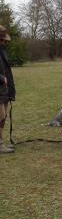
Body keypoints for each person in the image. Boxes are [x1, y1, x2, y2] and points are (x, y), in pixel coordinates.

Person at [0, 25, 16, 154]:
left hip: (4, 90)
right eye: (2, 39)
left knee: (3, 116)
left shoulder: (2, 50)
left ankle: (1, 142)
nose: (5, 41)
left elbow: (6, 70)